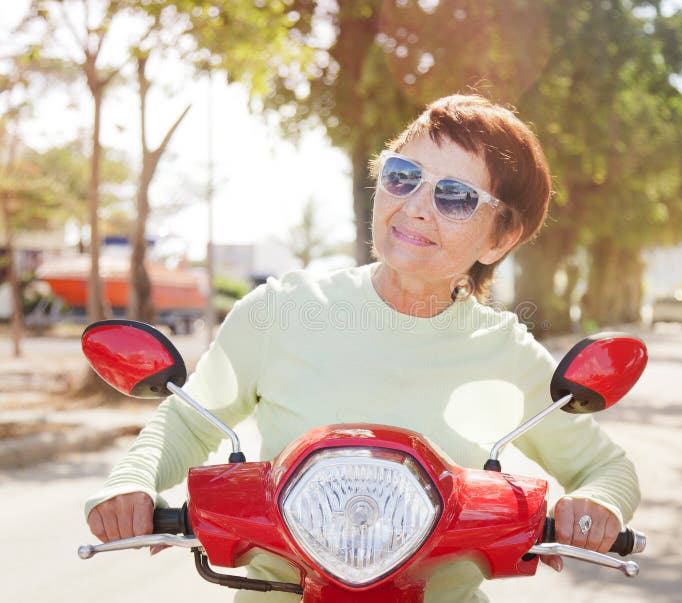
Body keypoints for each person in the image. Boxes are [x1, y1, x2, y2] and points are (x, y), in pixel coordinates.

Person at [85, 94, 640, 602]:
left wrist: (597, 507)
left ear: (500, 238)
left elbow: (606, 468)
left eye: (454, 196)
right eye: (403, 178)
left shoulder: (506, 351)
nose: (417, 206)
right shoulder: (282, 309)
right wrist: (131, 483)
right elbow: (188, 419)